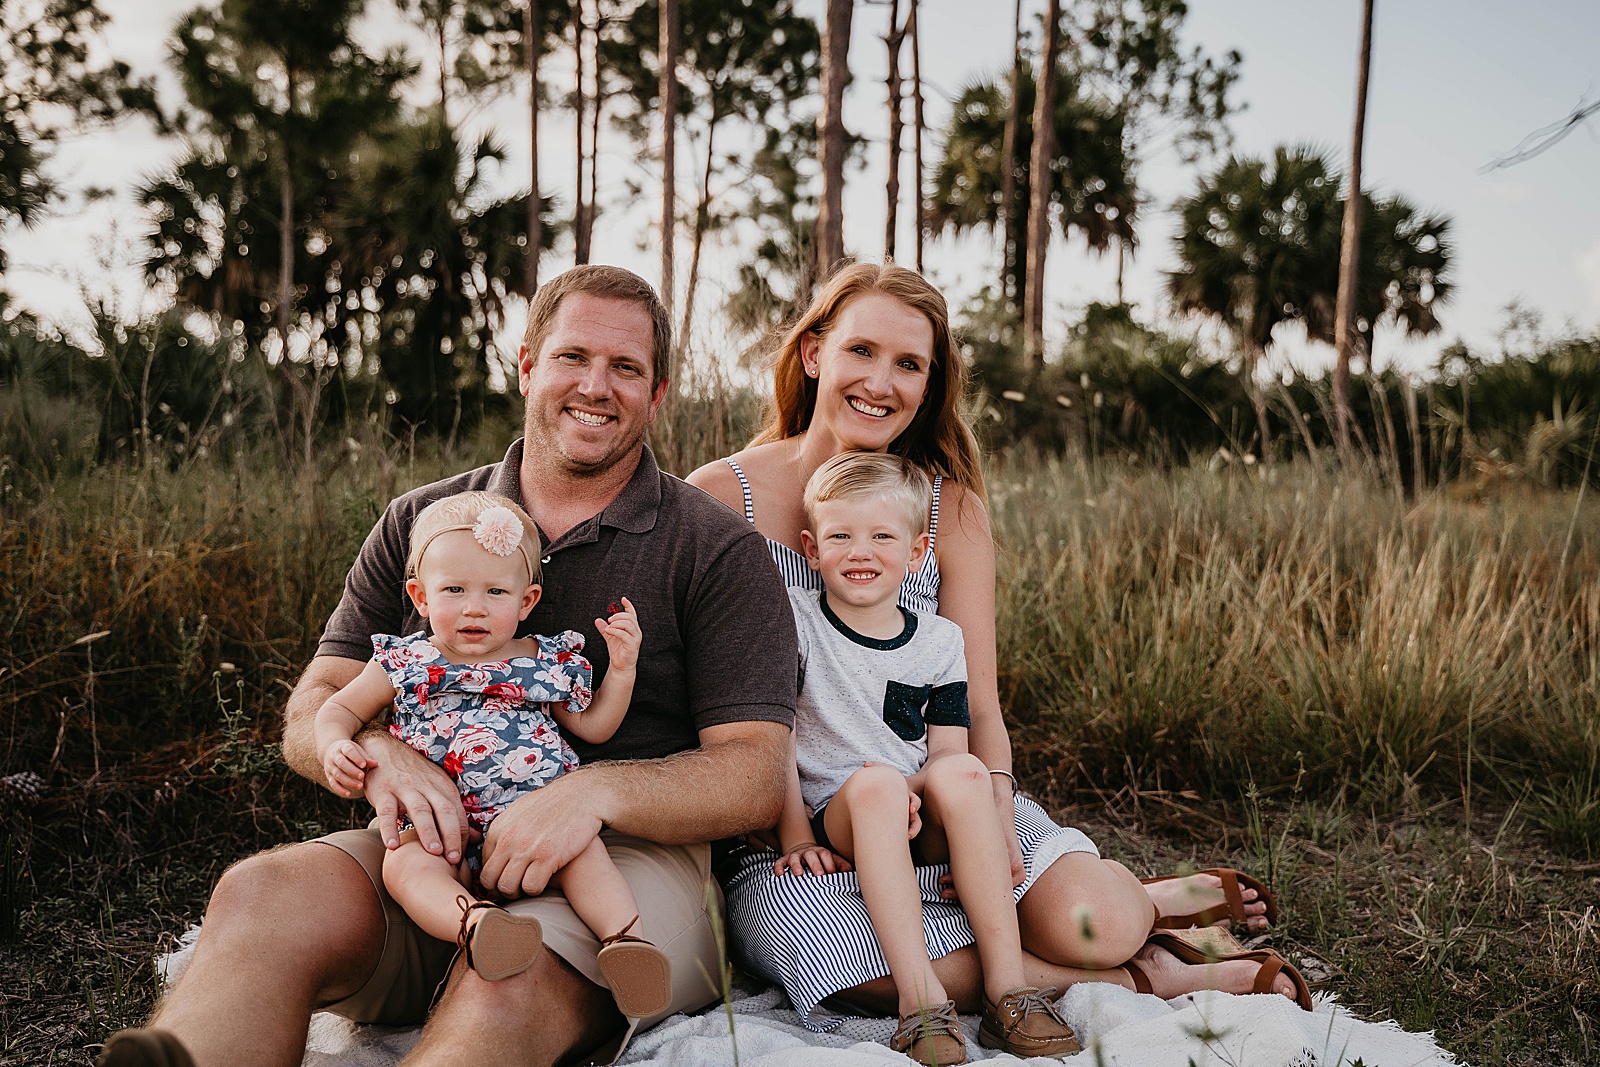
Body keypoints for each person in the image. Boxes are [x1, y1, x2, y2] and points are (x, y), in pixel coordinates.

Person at [99, 265, 799, 1067]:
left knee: (509, 970)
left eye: (626, 368)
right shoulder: (421, 521)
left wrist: (590, 793)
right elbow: (314, 708)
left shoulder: (715, 549)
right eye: (573, 356)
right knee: (259, 892)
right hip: (437, 849)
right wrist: (382, 758)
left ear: (659, 391)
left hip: (623, 866)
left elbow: (753, 771)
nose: (595, 386)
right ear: (529, 363)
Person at [688, 262, 1309, 1023]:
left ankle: (1131, 911)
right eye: (862, 351)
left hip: (946, 804)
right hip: (794, 827)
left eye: (909, 364)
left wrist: (994, 805)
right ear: (814, 352)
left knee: (1097, 921)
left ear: (930, 382)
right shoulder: (721, 499)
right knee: (853, 975)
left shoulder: (952, 512)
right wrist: (781, 828)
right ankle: (1157, 974)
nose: (882, 382)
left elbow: (977, 702)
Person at [773, 451, 1080, 1065]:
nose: (861, 552)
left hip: (920, 806)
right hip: (845, 809)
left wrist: (956, 803)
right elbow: (775, 735)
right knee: (879, 786)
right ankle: (921, 1002)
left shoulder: (940, 640)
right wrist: (793, 837)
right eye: (841, 536)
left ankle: (1007, 991)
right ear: (811, 548)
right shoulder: (797, 622)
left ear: (916, 555)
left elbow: (948, 751)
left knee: (964, 771)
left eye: (882, 536)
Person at [313, 490, 670, 1013]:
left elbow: (594, 728)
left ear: (526, 602)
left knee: (586, 857)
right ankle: (477, 924)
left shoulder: (544, 660)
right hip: (440, 826)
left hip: (539, 822)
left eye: (496, 592)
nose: (474, 607)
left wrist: (622, 670)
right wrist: (336, 746)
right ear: (420, 597)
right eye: (453, 589)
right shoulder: (405, 660)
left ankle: (626, 942)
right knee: (404, 867)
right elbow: (336, 710)